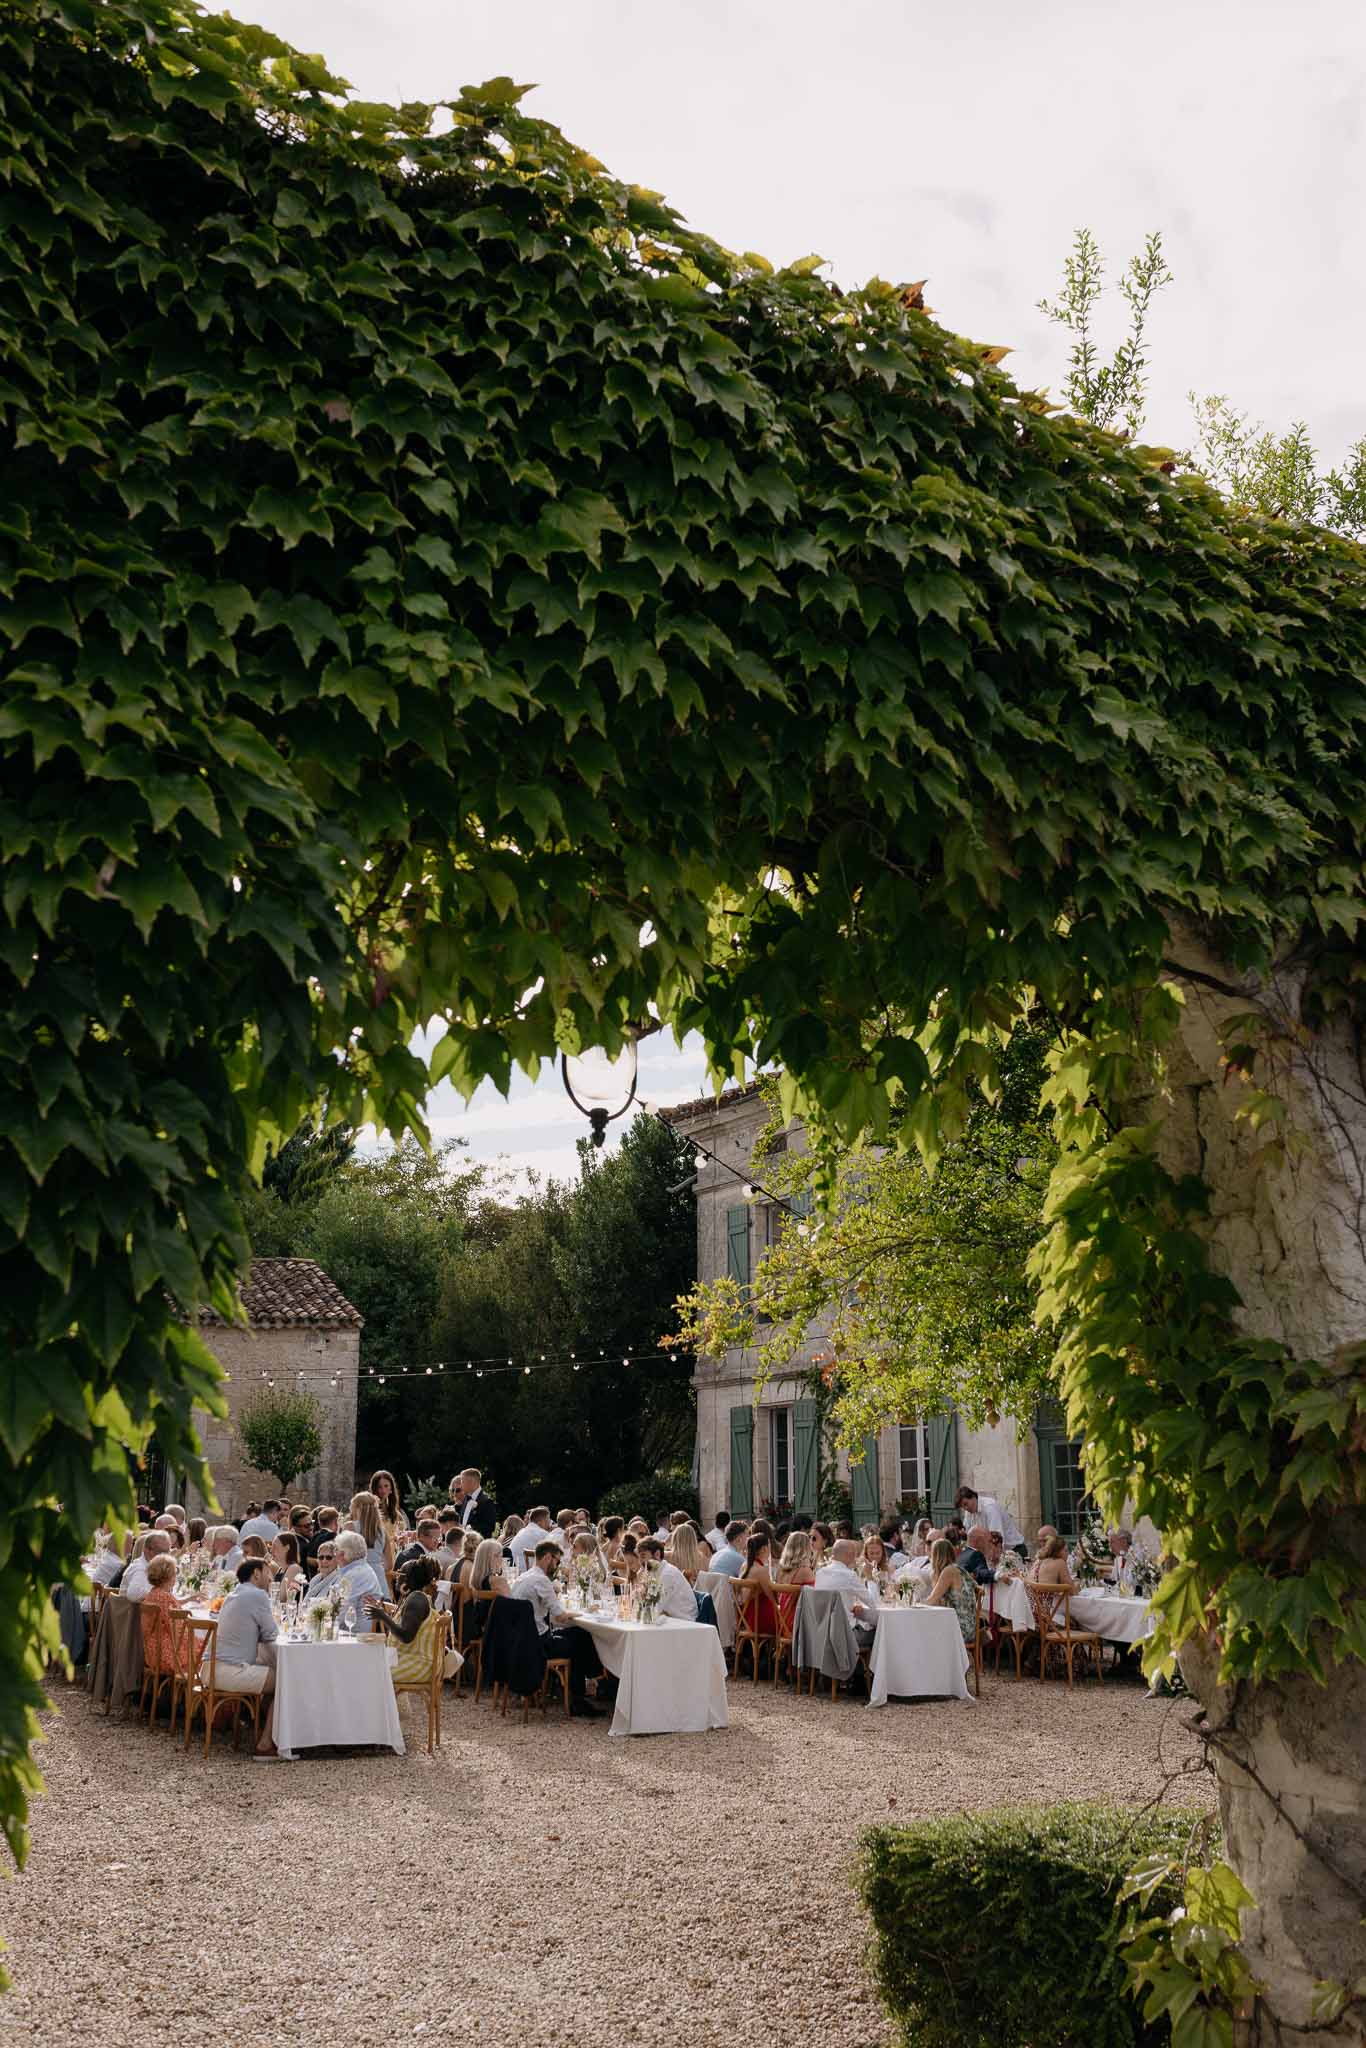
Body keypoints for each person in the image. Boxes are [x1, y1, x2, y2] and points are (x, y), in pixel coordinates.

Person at [510, 1539, 603, 1716]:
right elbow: (559, 1615)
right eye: (557, 1562)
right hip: (537, 1644)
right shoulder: (541, 1580)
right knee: (579, 1640)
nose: (557, 1566)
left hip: (520, 1640)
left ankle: (590, 1680)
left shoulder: (522, 1577)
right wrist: (583, 1613)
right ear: (547, 1558)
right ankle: (580, 1696)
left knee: (578, 1634)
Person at [215, 1556, 280, 1758]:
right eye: (268, 1573)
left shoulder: (233, 1594)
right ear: (256, 1574)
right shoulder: (257, 1595)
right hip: (231, 1671)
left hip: (212, 1668)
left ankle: (262, 1730)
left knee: (274, 1673)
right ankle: (265, 1743)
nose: (271, 1578)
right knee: (287, 1680)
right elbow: (271, 1633)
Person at [366, 1555, 439, 1644]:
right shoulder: (416, 1598)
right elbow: (407, 1615)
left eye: (400, 1573)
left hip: (410, 1653)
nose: (396, 1576)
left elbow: (406, 1637)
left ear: (409, 1578)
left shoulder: (416, 1600)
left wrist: (383, 1616)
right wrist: (383, 1606)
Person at [814, 1539, 875, 1645]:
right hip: (846, 1636)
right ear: (849, 1555)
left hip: (821, 1633)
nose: (856, 1558)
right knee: (880, 1631)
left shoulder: (820, 1573)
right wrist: (869, 1577)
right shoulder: (849, 1575)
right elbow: (873, 1603)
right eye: (855, 1555)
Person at [138, 1554, 187, 1678]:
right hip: (163, 1653)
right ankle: (187, 1689)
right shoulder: (164, 1597)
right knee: (204, 1650)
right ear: (168, 1576)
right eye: (175, 1573)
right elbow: (177, 1629)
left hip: (150, 1650)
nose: (176, 1577)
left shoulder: (154, 1593)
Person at [925, 1537, 978, 1642]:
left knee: (923, 1631)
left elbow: (932, 1600)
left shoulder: (948, 1571)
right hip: (969, 1626)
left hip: (960, 1629)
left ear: (936, 1556)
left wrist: (914, 1604)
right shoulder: (959, 1569)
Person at [636, 1536, 697, 1620]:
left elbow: (653, 1609)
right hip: (670, 1618)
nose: (640, 1562)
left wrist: (642, 1590)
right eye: (639, 1557)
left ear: (657, 1554)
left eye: (643, 1556)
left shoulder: (667, 1575)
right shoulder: (655, 1572)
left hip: (685, 1621)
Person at [955, 1485, 1026, 1557]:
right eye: (962, 1507)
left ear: (973, 1497)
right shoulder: (969, 1511)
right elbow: (969, 1534)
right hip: (994, 1552)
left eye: (966, 1504)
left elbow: (996, 1539)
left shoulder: (990, 1507)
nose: (965, 1508)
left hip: (1014, 1550)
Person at [329, 1530, 383, 1615]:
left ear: (343, 1555)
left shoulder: (353, 1575)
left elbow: (340, 1613)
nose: (334, 1554)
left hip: (353, 1623)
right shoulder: (362, 1568)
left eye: (336, 1550)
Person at [348, 1490, 390, 1594]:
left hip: (357, 1579)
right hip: (379, 1579)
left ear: (357, 1508)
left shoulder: (350, 1527)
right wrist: (375, 1565)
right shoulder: (383, 1531)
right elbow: (389, 1564)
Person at [737, 1533, 779, 1636]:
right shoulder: (761, 1570)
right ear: (764, 1549)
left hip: (747, 1619)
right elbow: (773, 1598)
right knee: (790, 1619)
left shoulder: (744, 1565)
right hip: (759, 1621)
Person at [120, 1530, 171, 1602]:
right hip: (131, 1609)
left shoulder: (152, 1567)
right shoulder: (140, 1568)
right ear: (146, 1550)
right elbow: (133, 1594)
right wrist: (160, 1594)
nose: (164, 1556)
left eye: (167, 1552)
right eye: (160, 1551)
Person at [508, 1507, 563, 1572]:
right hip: (524, 1571)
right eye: (548, 1520)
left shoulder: (524, 1530)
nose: (550, 1524)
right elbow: (558, 1550)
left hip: (512, 1568)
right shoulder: (541, 1533)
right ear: (540, 1522)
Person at [456, 1466, 498, 1537]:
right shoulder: (466, 1499)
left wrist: (471, 1529)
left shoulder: (486, 1501)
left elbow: (490, 1527)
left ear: (472, 1482)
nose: (460, 1485)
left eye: (462, 1481)